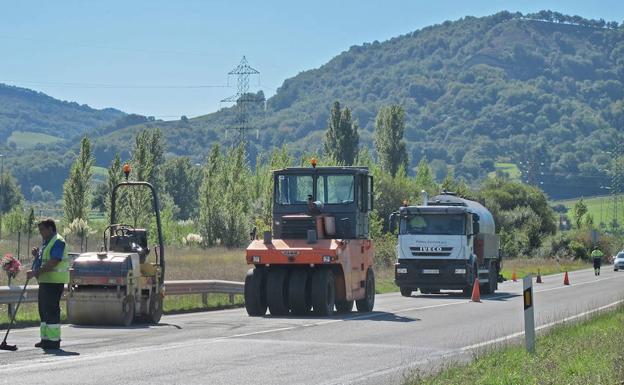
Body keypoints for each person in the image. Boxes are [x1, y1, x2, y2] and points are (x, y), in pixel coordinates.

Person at [26, 219, 70, 350]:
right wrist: (37, 255)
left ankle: (53, 340)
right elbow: (45, 258)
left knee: (50, 310)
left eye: (42, 230)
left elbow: (54, 261)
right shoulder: (48, 242)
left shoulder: (58, 241)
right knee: (43, 311)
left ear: (50, 228)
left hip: (54, 282)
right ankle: (45, 339)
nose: (41, 233)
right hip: (46, 281)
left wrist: (35, 272)